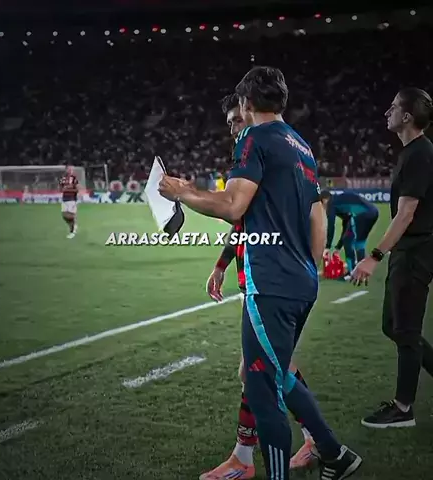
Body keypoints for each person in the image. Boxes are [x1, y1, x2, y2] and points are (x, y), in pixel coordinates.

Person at [159, 66, 361, 480]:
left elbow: (233, 206)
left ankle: (305, 458)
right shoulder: (301, 145)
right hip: (299, 280)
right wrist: (308, 266)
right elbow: (315, 214)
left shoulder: (255, 139)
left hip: (271, 283)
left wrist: (183, 192)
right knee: (268, 373)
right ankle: (329, 451)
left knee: (263, 387)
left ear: (247, 103)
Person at [200, 93, 315, 480]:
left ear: (251, 112)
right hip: (275, 279)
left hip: (275, 282)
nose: (234, 128)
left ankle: (301, 446)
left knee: (263, 372)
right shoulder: (277, 151)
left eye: (238, 119)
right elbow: (244, 223)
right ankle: (251, 455)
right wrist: (221, 264)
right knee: (259, 370)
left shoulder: (264, 150)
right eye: (230, 123)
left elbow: (312, 211)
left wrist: (184, 192)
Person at [351, 87, 433, 428]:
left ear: (407, 116)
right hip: (407, 251)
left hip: (415, 252)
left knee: (406, 330)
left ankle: (403, 408)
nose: (388, 112)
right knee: (393, 325)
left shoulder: (420, 153)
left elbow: (406, 213)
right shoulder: (411, 152)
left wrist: (374, 255)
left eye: (394, 107)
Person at [320, 190, 379, 278]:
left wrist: (328, 247)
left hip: (362, 214)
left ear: (325, 200)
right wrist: (338, 247)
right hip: (373, 212)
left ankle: (352, 273)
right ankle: (361, 272)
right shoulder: (340, 202)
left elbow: (331, 225)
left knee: (348, 241)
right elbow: (346, 225)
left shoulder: (331, 203)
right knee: (359, 242)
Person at [59, 165, 79, 239]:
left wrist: (68, 189)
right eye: (69, 169)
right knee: (64, 216)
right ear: (66, 170)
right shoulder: (63, 178)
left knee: (70, 215)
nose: (71, 171)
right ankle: (74, 225)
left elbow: (77, 189)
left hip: (72, 199)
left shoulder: (74, 178)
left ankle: (72, 232)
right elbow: (61, 189)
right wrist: (63, 189)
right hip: (64, 199)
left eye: (72, 169)